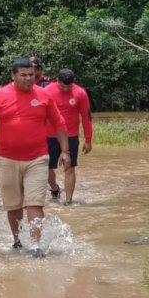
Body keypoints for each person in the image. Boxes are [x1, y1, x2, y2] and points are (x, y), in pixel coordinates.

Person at [0, 57, 70, 252]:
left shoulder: (43, 95)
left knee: (35, 203)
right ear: (13, 76)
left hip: (38, 158)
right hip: (7, 159)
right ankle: (17, 241)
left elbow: (59, 124)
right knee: (13, 205)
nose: (28, 79)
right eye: (23, 75)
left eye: (31, 75)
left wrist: (65, 151)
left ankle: (35, 245)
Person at [44, 69, 93, 204]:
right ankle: (54, 187)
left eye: (69, 86)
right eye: (63, 86)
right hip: (49, 135)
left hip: (71, 135)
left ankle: (68, 201)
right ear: (57, 81)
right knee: (46, 167)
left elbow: (86, 117)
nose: (66, 89)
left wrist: (88, 140)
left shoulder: (80, 93)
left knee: (69, 167)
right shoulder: (47, 91)